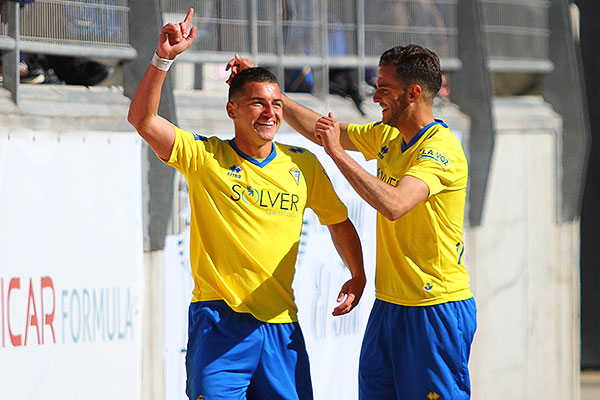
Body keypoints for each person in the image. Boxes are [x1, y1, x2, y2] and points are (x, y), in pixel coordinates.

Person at [127, 9, 366, 400]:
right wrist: (162, 60)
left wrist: (358, 275)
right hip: (218, 324)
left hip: (280, 328)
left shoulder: (302, 164)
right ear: (232, 110)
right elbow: (142, 119)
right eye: (256, 103)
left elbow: (338, 222)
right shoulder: (204, 155)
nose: (269, 113)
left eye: (275, 105)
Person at [227, 44, 476, 399]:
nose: (375, 97)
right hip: (389, 305)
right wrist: (271, 95)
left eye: (384, 89)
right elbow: (322, 130)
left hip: (434, 309)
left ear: (414, 94)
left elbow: (395, 204)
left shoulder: (441, 149)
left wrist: (338, 155)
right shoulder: (390, 136)